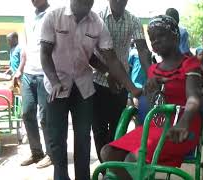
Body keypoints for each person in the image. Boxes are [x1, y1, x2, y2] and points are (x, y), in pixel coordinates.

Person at [40, 0, 141, 179]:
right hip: (56, 86)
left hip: (83, 87)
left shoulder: (97, 23)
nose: (85, 5)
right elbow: (45, 54)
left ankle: (83, 177)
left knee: (83, 138)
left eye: (89, 2)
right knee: (57, 139)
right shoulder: (53, 17)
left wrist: (127, 85)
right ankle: (61, 176)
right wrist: (54, 81)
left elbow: (109, 58)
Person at [100, 15, 202, 180]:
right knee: (108, 153)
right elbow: (153, 104)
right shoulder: (153, 70)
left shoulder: (190, 64)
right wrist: (151, 90)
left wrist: (184, 122)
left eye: (160, 36)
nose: (155, 42)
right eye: (152, 38)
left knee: (132, 159)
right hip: (153, 128)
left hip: (180, 129)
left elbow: (194, 98)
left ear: (175, 35)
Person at [92, 0, 151, 162]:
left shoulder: (134, 20)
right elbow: (88, 53)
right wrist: (106, 73)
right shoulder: (96, 17)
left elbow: (143, 50)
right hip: (96, 81)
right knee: (99, 130)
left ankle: (113, 167)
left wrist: (152, 76)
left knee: (119, 127)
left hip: (121, 82)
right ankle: (107, 171)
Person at [13, 0, 52, 168]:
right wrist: (19, 70)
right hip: (28, 73)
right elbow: (25, 48)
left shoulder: (53, 14)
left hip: (46, 74)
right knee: (27, 113)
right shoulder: (27, 17)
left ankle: (51, 154)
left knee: (45, 117)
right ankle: (36, 153)